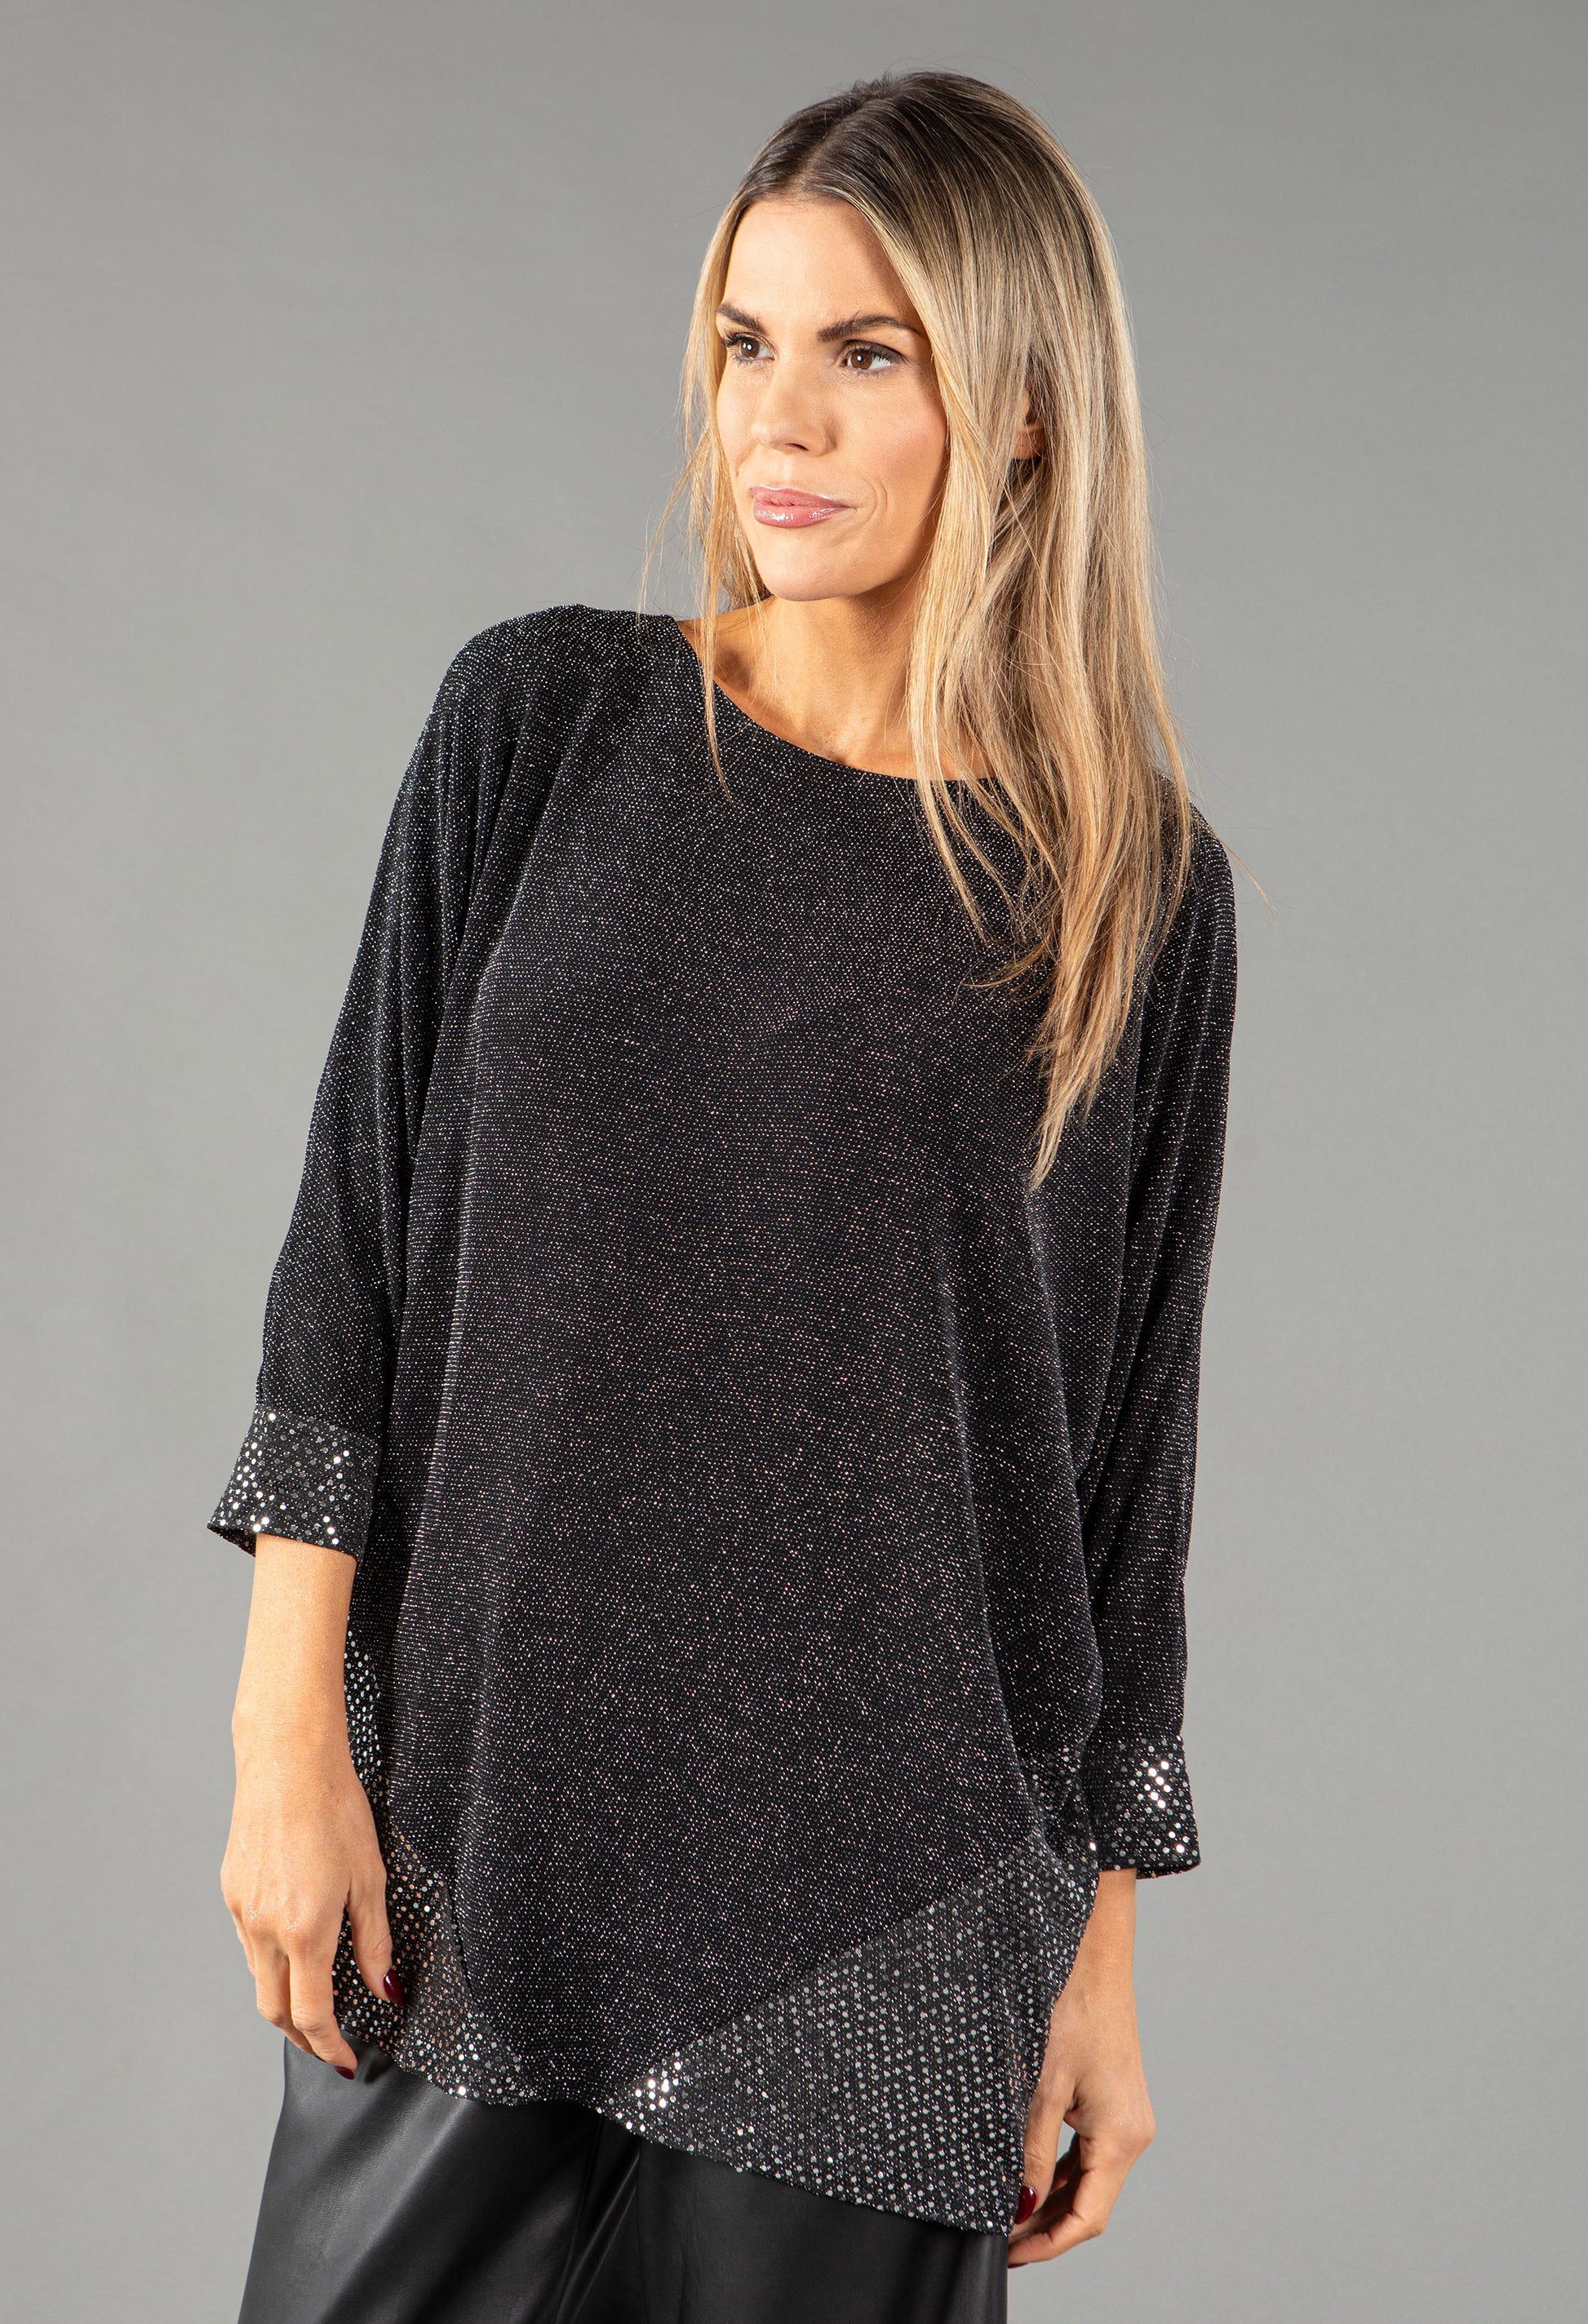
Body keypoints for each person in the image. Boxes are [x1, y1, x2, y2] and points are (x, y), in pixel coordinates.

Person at [211, 67, 1239, 2324]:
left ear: (1025, 407)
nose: (779, 416)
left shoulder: (1131, 890)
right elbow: (347, 1265)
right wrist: (286, 1735)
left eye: (867, 352)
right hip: (482, 1836)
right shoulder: (543, 723)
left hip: (886, 1928)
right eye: (747, 340)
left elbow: (1116, 1477)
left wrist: (1098, 1961)